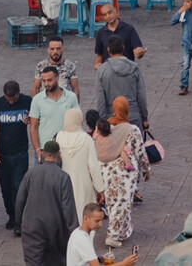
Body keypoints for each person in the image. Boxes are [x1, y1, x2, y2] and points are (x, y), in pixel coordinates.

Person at [90, 99, 148, 247]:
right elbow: (140, 152)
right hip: (124, 174)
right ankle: (113, 236)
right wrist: (147, 170)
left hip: (106, 172)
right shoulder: (132, 129)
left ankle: (124, 231)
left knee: (113, 203)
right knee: (121, 204)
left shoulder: (106, 126)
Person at [11, 139, 78, 266]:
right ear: (58, 155)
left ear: (43, 154)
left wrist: (19, 222)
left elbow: (20, 200)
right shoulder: (63, 177)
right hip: (55, 229)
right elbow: (68, 207)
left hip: (31, 226)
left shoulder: (30, 174)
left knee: (33, 262)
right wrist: (73, 230)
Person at [0, 79, 31, 234]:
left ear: (19, 93)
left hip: (20, 153)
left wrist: (29, 120)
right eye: (8, 99)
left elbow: (35, 119)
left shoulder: (27, 101)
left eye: (13, 99)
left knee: (19, 187)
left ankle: (19, 220)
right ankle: (11, 216)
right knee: (6, 189)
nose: (10, 102)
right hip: (2, 154)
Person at [55, 112, 98, 232]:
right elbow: (93, 166)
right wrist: (100, 188)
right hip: (83, 182)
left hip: (65, 182)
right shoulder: (86, 139)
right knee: (85, 213)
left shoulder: (59, 137)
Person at [93, 40, 147, 132]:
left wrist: (103, 119)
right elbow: (141, 95)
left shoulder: (102, 70)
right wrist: (145, 118)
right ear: (123, 48)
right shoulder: (135, 68)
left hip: (112, 118)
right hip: (133, 115)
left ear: (108, 50)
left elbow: (100, 99)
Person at [27, 65, 77, 158]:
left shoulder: (71, 97)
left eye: (49, 80)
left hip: (66, 149)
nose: (46, 84)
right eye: (44, 81)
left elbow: (76, 123)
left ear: (57, 78)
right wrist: (38, 150)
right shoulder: (37, 100)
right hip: (44, 151)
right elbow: (33, 127)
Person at [68, 201, 135, 266]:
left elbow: (83, 259)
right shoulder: (83, 240)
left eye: (101, 220)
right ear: (86, 218)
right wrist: (123, 264)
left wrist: (99, 259)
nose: (100, 224)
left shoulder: (77, 232)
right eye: (97, 221)